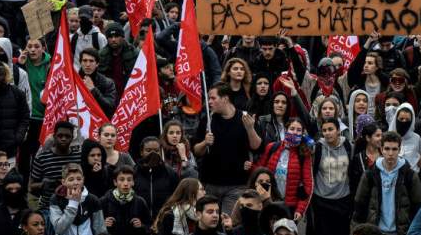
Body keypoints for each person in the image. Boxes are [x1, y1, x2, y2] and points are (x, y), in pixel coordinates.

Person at [352, 130, 421, 235]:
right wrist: (357, 233)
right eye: (387, 149)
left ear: (400, 149)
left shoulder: (409, 175)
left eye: (394, 149)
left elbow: (418, 205)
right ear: (381, 149)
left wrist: (412, 232)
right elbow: (359, 205)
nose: (390, 153)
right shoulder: (370, 174)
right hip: (376, 233)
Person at [194, 83, 263, 214]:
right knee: (210, 223)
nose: (209, 102)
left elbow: (257, 147)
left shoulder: (245, 117)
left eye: (213, 98)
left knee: (229, 224)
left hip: (236, 185)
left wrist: (250, 129)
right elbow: (196, 150)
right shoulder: (208, 120)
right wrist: (204, 143)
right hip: (210, 184)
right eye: (209, 98)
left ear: (225, 99)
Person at [308, 117, 355, 235]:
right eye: (325, 130)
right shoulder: (318, 147)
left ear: (338, 130)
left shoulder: (348, 146)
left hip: (343, 198)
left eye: (331, 129)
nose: (327, 133)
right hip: (322, 199)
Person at [254, 117, 315, 220]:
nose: (295, 132)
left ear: (302, 134)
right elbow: (259, 170)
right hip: (269, 201)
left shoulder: (304, 154)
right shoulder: (272, 147)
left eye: (298, 130)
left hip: (290, 207)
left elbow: (307, 185)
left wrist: (300, 209)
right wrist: (250, 166)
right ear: (286, 130)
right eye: (292, 129)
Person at [99, 166, 152, 235]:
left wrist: (142, 226)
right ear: (115, 182)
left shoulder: (140, 202)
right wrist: (103, 225)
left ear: (133, 182)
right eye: (122, 180)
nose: (126, 183)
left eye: (129, 180)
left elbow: (150, 226)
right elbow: (95, 226)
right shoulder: (104, 201)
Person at [29, 121, 80, 210]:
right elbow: (31, 186)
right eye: (60, 136)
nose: (63, 139)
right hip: (48, 208)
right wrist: (43, 184)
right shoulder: (42, 158)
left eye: (67, 136)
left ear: (72, 138)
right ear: (54, 136)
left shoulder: (79, 157)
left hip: (73, 207)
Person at [134, 136, 180, 219]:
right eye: (148, 150)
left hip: (163, 221)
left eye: (156, 150)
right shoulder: (133, 172)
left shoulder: (170, 173)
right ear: (141, 152)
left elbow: (176, 197)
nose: (153, 153)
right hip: (139, 222)